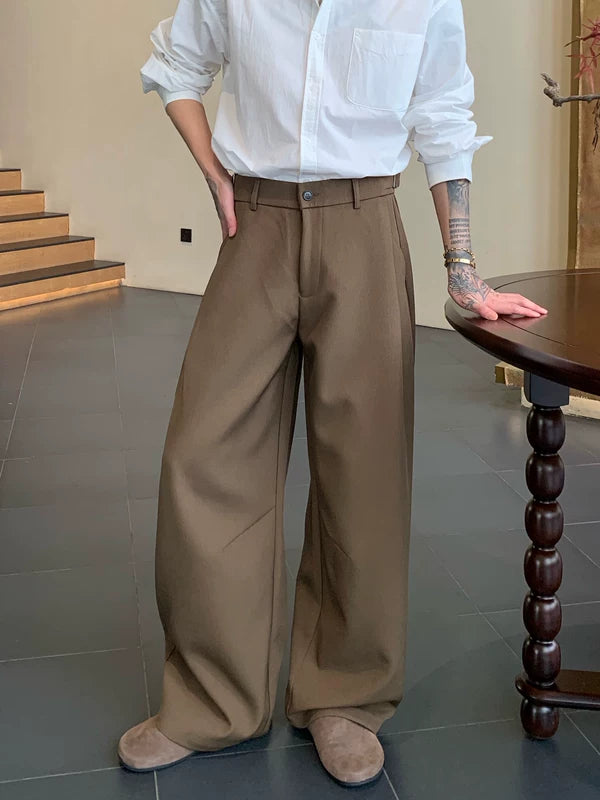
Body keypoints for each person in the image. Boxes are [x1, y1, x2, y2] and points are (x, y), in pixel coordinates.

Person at [118, 0, 548, 787]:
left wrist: (463, 269)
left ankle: (345, 697)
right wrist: (214, 171)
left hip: (365, 222)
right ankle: (211, 701)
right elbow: (175, 67)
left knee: (365, 469)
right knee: (204, 455)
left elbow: (442, 115)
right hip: (256, 224)